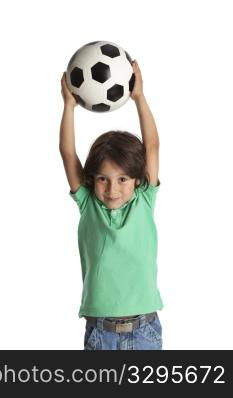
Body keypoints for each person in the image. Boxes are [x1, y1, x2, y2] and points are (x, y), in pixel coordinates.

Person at [59, 60, 164, 350]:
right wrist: (69, 107)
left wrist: (139, 98)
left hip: (144, 332)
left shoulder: (143, 200)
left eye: (122, 179)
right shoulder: (89, 204)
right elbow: (68, 154)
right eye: (103, 179)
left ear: (137, 179)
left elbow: (152, 145)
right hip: (100, 334)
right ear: (92, 180)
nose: (112, 189)